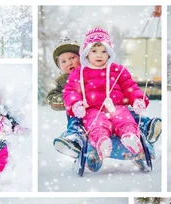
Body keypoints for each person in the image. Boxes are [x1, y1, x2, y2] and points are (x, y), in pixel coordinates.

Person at [48, 38, 161, 159]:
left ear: (82, 56)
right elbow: (54, 96)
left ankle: (146, 128)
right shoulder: (64, 80)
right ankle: (74, 141)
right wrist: (72, 102)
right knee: (76, 123)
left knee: (129, 115)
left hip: (111, 105)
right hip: (83, 110)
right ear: (59, 66)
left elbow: (128, 85)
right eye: (63, 61)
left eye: (72, 58)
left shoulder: (93, 70)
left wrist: (135, 98)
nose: (69, 63)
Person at [63, 28, 149, 165]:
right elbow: (70, 90)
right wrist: (76, 104)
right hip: (92, 108)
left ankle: (129, 136)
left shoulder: (118, 70)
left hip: (116, 106)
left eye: (104, 51)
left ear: (109, 53)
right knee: (96, 123)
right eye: (94, 51)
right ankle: (102, 141)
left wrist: (137, 99)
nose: (99, 55)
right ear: (86, 53)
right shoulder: (79, 72)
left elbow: (129, 86)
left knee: (124, 118)